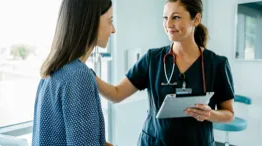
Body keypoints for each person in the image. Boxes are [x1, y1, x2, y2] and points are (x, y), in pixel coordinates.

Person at [96, 0, 235, 145]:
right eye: (165, 17)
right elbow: (116, 94)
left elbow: (229, 114)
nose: (168, 24)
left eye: (176, 17)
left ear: (196, 19)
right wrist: (89, 73)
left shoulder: (217, 64)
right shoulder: (152, 59)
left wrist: (210, 114)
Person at [32, 0, 115, 145]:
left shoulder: (51, 71)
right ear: (92, 22)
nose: (113, 29)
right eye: (110, 21)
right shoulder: (79, 77)